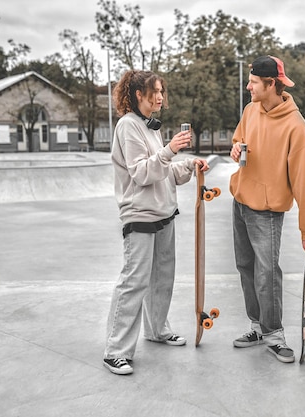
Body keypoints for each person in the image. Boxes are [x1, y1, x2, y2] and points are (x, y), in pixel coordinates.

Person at [103, 70, 209, 375]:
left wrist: (189, 164)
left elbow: (161, 169)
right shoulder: (128, 126)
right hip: (139, 215)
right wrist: (171, 150)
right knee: (134, 281)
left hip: (163, 213)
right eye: (155, 91)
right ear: (139, 94)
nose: (160, 97)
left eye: (162, 91)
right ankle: (115, 350)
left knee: (163, 277)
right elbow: (141, 173)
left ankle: (157, 330)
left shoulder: (151, 128)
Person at [229, 55, 305, 363]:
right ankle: (257, 326)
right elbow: (238, 138)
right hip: (239, 201)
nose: (248, 86)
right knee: (245, 267)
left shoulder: (296, 127)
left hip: (267, 212)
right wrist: (236, 147)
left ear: (270, 84)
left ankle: (275, 333)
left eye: (253, 82)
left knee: (267, 273)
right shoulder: (250, 110)